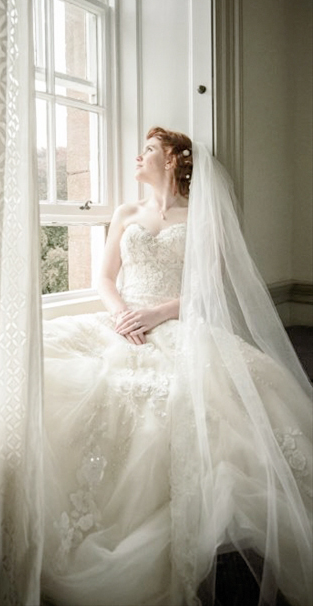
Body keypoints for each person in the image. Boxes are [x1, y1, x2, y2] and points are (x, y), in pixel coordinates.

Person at [41, 127, 312, 606]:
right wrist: (124, 314)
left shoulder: (201, 217)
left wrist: (156, 314)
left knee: (191, 401)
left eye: (148, 150)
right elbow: (104, 276)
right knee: (57, 371)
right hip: (122, 319)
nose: (138, 157)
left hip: (175, 321)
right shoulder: (126, 213)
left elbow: (210, 290)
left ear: (171, 160)